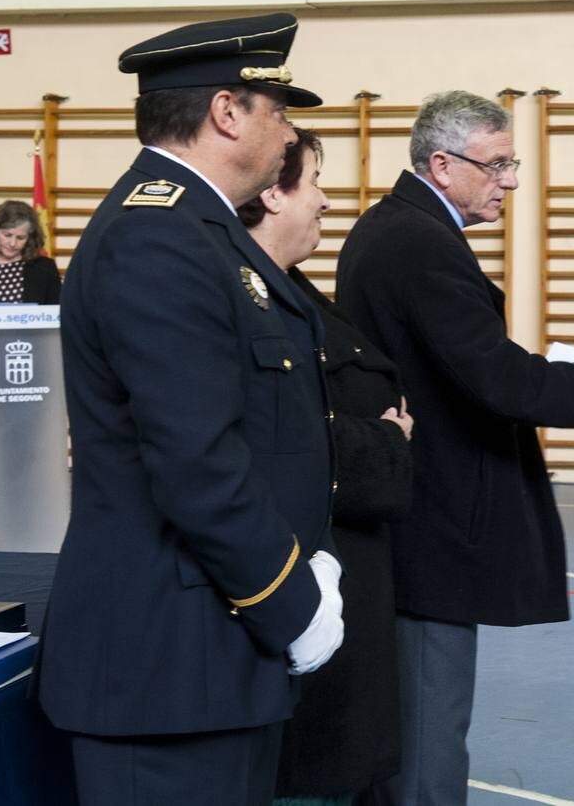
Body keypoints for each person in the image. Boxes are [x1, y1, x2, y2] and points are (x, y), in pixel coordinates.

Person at [334, 90, 574, 806]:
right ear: (442, 163)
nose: (512, 181)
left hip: (414, 511)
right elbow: (501, 380)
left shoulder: (403, 229)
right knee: (428, 745)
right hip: (429, 525)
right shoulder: (418, 244)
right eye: (497, 165)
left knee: (410, 734)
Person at [37, 13, 346, 806]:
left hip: (210, 649)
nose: (287, 137)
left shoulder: (202, 231)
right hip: (167, 663)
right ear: (227, 112)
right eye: (278, 113)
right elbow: (196, 459)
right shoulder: (160, 237)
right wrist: (292, 604)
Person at [237, 126, 414, 806]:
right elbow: (276, 437)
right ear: (274, 196)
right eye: (314, 180)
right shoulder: (248, 301)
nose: (326, 200)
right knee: (312, 773)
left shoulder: (290, 291)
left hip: (351, 570)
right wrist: (387, 443)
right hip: (303, 577)